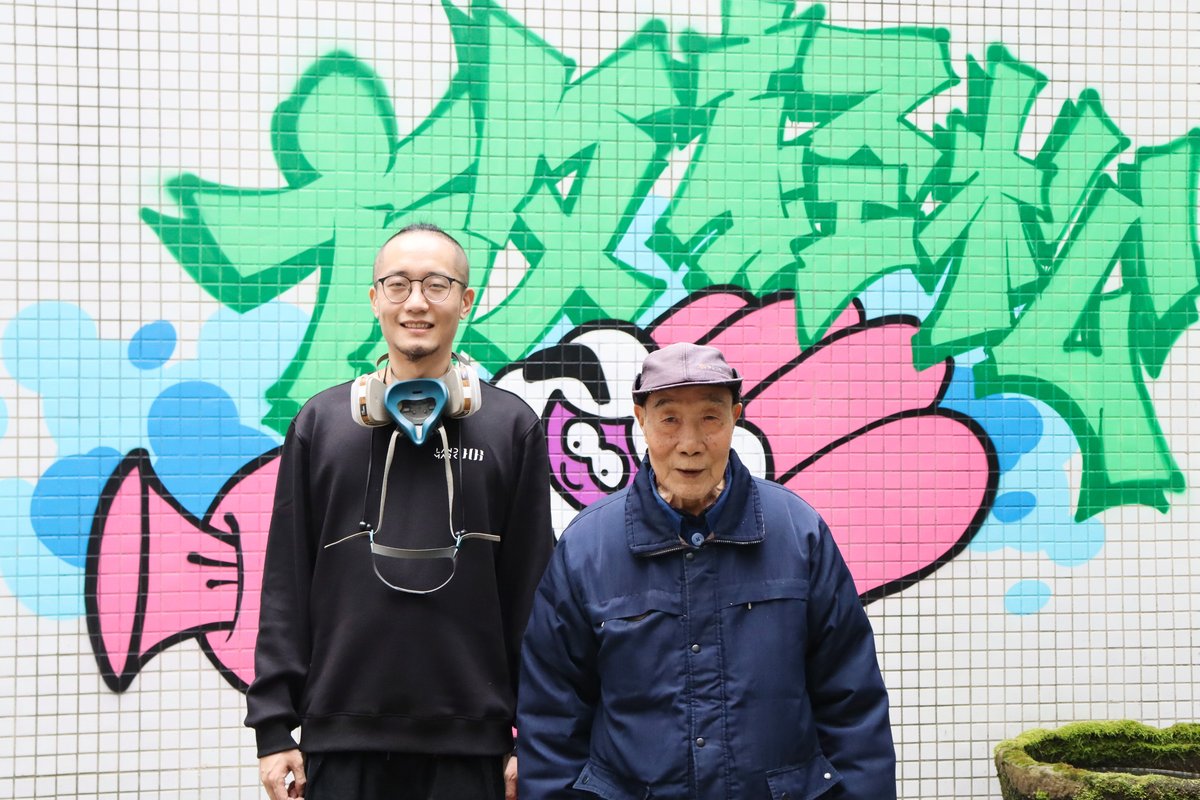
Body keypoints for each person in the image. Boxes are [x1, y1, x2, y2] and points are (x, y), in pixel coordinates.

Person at [246, 222, 555, 800]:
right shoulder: (320, 424)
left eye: (437, 284)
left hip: (472, 749)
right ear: (374, 299)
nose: (416, 302)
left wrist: (532, 735)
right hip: (339, 745)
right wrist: (272, 727)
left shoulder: (512, 428)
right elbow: (285, 583)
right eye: (397, 285)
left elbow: (532, 594)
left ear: (465, 301)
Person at [517, 341, 896, 799]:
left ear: (736, 416)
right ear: (641, 421)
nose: (690, 444)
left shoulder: (798, 533)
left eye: (710, 418)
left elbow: (851, 704)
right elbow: (551, 717)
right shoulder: (587, 547)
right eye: (669, 418)